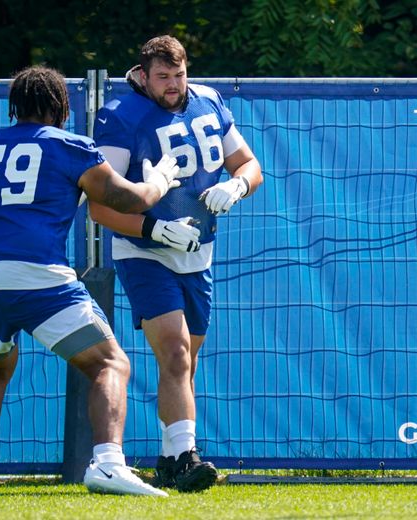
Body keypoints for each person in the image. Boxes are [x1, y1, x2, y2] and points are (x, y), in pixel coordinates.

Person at [0, 65, 181, 497]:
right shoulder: (69, 145)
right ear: (60, 106)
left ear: (16, 105)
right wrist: (161, 180)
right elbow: (127, 199)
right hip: (36, 271)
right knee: (110, 364)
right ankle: (109, 464)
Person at [90, 35, 263, 493]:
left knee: (186, 362)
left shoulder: (208, 100)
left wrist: (238, 187)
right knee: (176, 350)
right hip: (144, 252)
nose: (173, 85)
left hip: (198, 252)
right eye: (163, 76)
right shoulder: (121, 116)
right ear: (142, 75)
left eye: (179, 74)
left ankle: (168, 457)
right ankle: (188, 456)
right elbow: (100, 207)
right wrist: (154, 229)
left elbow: (249, 164)